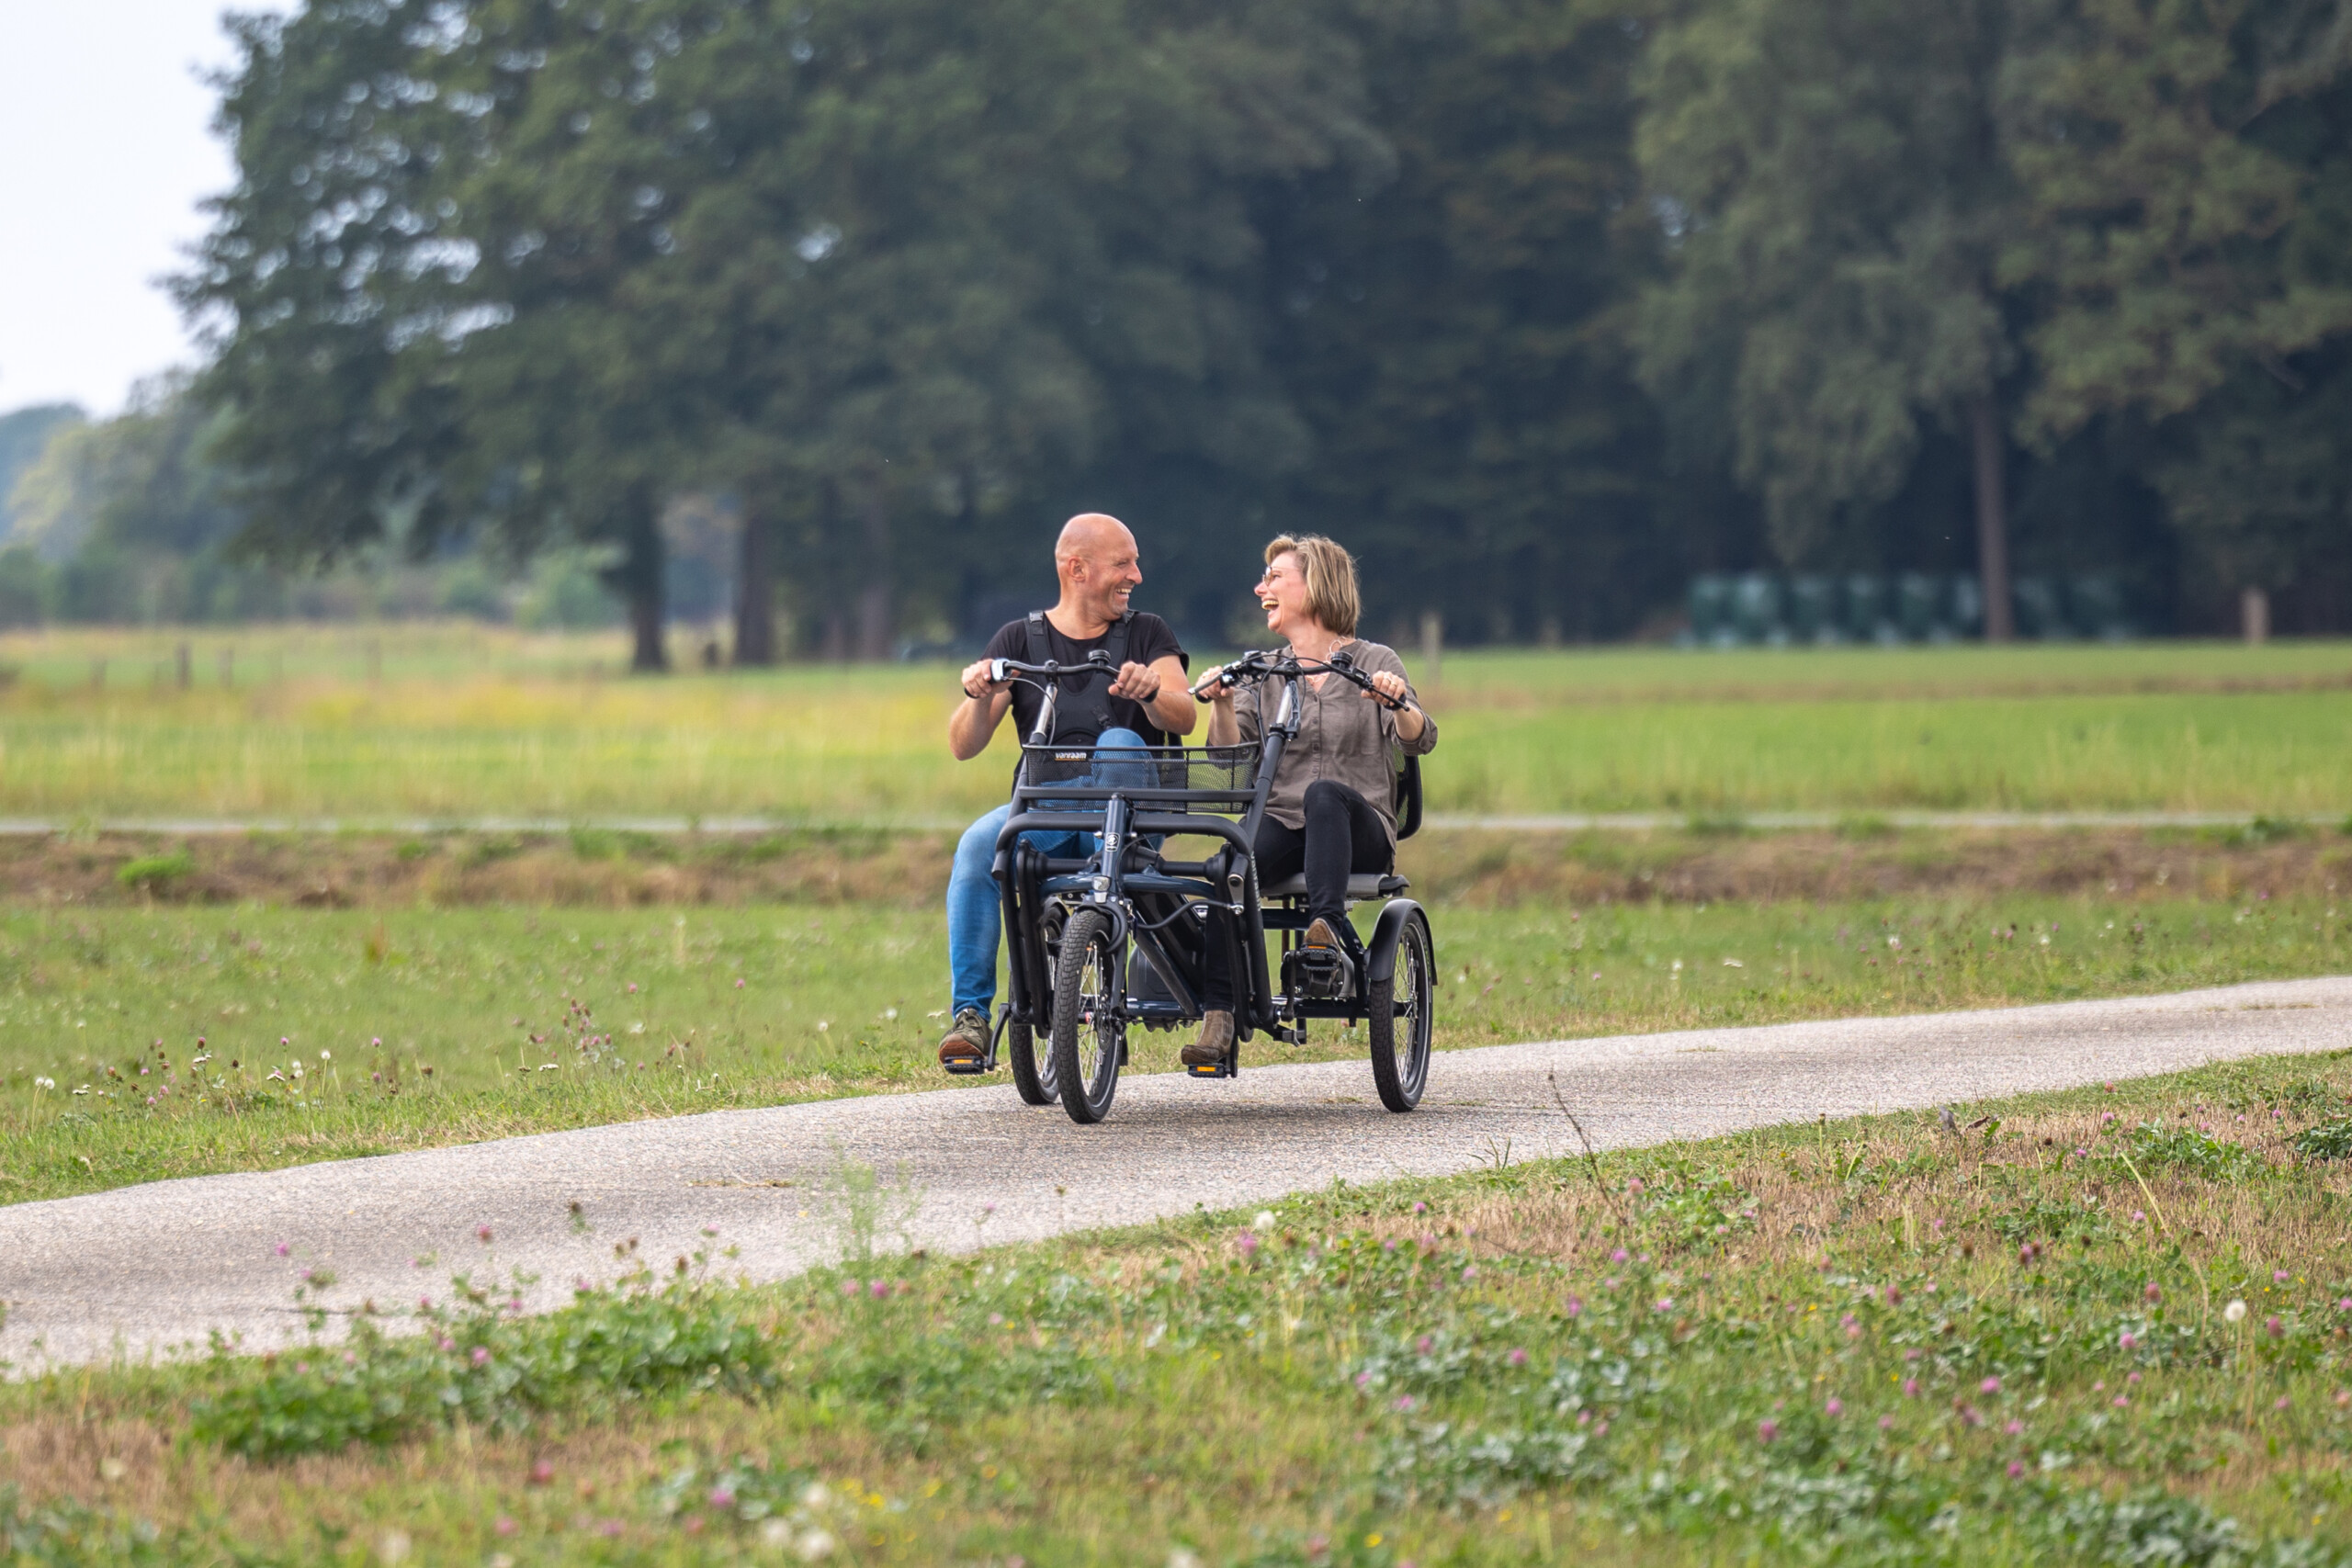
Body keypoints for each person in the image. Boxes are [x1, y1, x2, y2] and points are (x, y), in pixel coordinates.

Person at [937, 513, 1194, 1066]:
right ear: (1078, 569)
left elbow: (1186, 714)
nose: (1137, 576)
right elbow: (962, 745)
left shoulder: (1148, 634)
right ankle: (971, 1019)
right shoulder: (1018, 641)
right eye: (1124, 563)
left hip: (1129, 819)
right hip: (1048, 818)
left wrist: (1152, 693)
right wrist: (979, 693)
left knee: (1123, 742)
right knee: (978, 846)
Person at [1186, 534, 1435, 1067]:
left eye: (1275, 577)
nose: (1261, 588)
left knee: (1325, 796)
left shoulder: (1375, 660)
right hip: (1286, 824)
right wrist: (1223, 703)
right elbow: (1231, 761)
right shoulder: (1264, 670)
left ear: (1316, 584)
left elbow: (1419, 738)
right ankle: (1220, 1017)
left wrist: (1397, 702)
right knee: (1230, 861)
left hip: (1358, 829)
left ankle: (1325, 933)